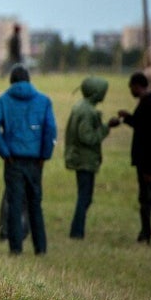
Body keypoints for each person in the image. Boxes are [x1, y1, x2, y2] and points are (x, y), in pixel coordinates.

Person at [0, 64, 56, 255]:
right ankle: (40, 248)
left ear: (11, 80)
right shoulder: (44, 101)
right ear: (29, 79)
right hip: (36, 161)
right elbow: (50, 129)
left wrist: (4, 152)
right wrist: (45, 155)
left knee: (14, 204)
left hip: (13, 160)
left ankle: (15, 248)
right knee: (35, 203)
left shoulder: (3, 100)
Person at [64, 76, 120, 239]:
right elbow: (87, 137)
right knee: (85, 197)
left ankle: (77, 231)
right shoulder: (87, 112)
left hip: (80, 157)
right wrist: (106, 128)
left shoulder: (81, 107)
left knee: (85, 196)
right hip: (85, 160)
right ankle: (77, 232)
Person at [118, 72, 151, 246]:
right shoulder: (149, 103)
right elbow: (140, 125)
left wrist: (148, 169)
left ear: (137, 86)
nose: (130, 90)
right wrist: (127, 118)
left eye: (131, 87)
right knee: (144, 199)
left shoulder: (149, 105)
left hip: (150, 162)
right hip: (147, 161)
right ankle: (145, 233)